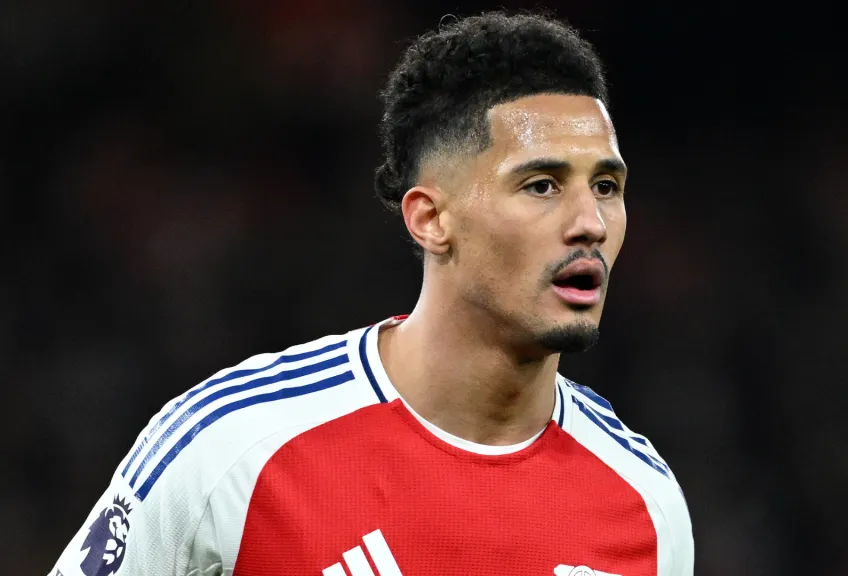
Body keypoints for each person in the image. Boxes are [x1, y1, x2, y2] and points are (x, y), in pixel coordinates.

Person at [50, 11, 694, 576]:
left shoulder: (645, 501)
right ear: (430, 219)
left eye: (606, 185)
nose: (591, 221)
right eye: (542, 186)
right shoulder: (234, 447)